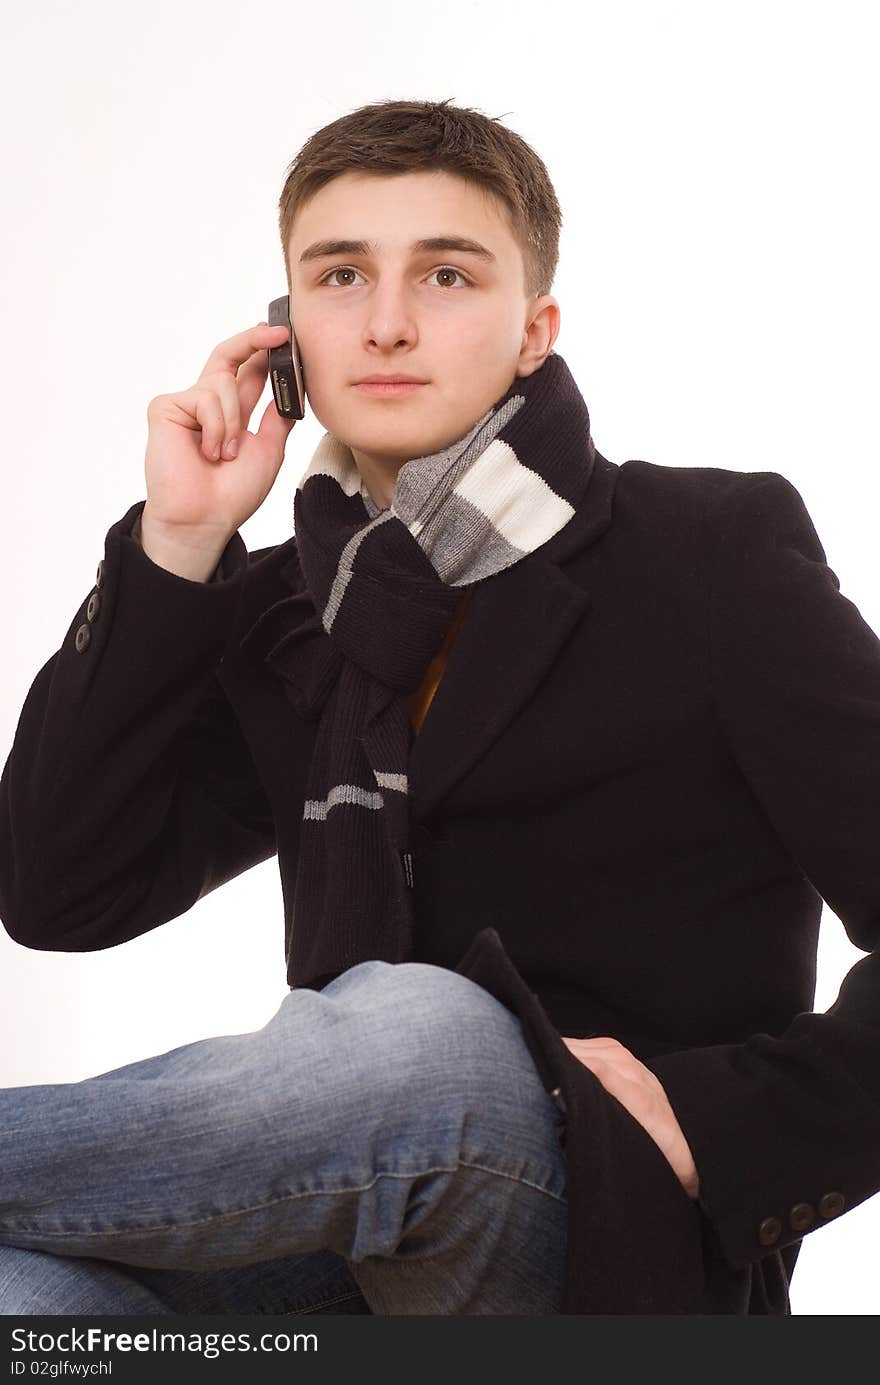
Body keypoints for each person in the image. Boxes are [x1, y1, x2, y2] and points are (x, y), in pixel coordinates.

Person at [0, 97, 876, 1317]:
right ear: (286, 333)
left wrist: (717, 1122)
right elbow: (60, 890)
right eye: (341, 275)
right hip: (339, 1259)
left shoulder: (704, 555)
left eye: (448, 274)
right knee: (26, 1298)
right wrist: (179, 542)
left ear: (534, 330)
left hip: (605, 1244)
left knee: (430, 1031)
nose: (390, 321)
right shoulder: (287, 609)